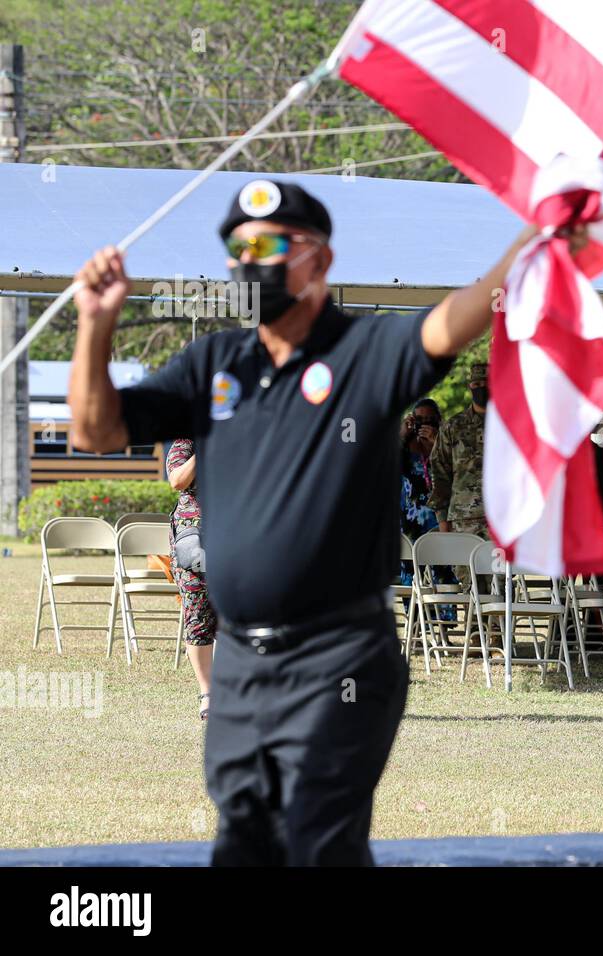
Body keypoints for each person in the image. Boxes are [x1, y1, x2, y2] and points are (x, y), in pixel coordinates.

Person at [67, 177, 570, 865]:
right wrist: (95, 323)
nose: (254, 260)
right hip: (241, 661)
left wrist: (531, 240)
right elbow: (95, 429)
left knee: (316, 839)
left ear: (321, 261)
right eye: (240, 246)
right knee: (243, 848)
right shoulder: (215, 365)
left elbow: (460, 314)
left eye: (274, 245)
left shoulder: (365, 355)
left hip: (341, 656)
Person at [166, 438, 217, 720]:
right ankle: (207, 693)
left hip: (237, 533)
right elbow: (177, 481)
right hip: (192, 540)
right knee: (198, 614)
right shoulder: (186, 444)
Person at [399, 398, 455, 620]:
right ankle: (416, 623)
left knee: (443, 569)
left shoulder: (445, 442)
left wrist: (435, 443)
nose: (424, 424)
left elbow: (453, 471)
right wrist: (403, 434)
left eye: (429, 420)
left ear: (438, 420)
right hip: (410, 519)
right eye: (418, 419)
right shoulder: (404, 446)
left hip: (438, 517)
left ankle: (443, 625)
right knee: (410, 572)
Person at [431, 362, 488, 539]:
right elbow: (439, 473)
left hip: (506, 521)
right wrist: (442, 521)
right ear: (470, 386)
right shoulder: (453, 427)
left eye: (488, 383)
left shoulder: (512, 424)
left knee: (507, 568)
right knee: (466, 567)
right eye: (477, 384)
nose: (483, 388)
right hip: (464, 523)